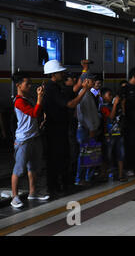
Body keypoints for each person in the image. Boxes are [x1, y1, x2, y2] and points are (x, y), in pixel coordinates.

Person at [42, 60, 89, 196]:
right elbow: (70, 104)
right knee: (57, 158)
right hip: (55, 129)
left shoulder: (56, 86)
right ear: (53, 74)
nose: (63, 74)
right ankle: (56, 187)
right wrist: (84, 90)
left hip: (58, 127)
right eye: (60, 72)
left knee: (61, 157)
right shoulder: (52, 88)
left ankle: (59, 185)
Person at [10, 73, 49, 208]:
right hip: (23, 140)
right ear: (18, 85)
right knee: (18, 169)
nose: (30, 85)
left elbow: (37, 113)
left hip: (34, 136)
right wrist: (39, 98)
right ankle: (14, 197)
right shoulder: (19, 101)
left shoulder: (29, 98)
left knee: (33, 167)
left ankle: (33, 192)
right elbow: (34, 113)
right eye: (27, 83)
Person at [75, 74, 100, 185]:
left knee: (89, 154)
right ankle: (80, 179)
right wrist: (91, 128)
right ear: (85, 81)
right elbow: (85, 114)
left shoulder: (88, 93)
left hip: (89, 128)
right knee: (85, 154)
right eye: (91, 80)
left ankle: (86, 177)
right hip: (86, 129)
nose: (94, 82)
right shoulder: (83, 94)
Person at [100, 88, 127, 182]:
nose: (111, 97)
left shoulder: (116, 106)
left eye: (112, 95)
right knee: (107, 155)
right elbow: (111, 117)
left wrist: (122, 104)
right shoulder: (103, 107)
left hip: (119, 133)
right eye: (109, 95)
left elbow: (123, 115)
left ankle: (120, 175)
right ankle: (104, 174)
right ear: (103, 96)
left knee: (121, 154)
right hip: (109, 134)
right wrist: (115, 104)